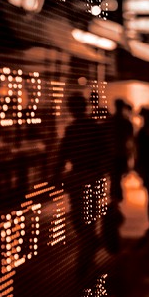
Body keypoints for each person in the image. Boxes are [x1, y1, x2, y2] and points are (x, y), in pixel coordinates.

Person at [56, 93, 113, 270]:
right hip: (87, 175)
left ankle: (86, 255)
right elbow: (63, 152)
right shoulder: (76, 128)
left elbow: (62, 153)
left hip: (87, 175)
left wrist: (56, 173)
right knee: (81, 215)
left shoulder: (88, 128)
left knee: (82, 214)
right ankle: (90, 242)